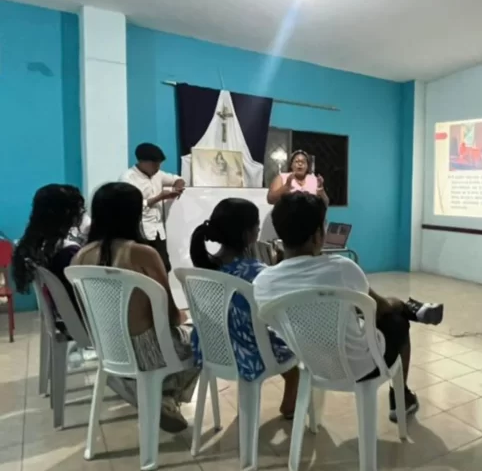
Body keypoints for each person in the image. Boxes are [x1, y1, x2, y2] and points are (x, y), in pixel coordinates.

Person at [253, 193, 444, 421]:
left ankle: (414, 311)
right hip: (360, 366)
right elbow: (381, 308)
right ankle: (401, 397)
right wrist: (397, 304)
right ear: (318, 235)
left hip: (309, 363)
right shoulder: (342, 269)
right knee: (397, 320)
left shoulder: (262, 282)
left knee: (363, 312)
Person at [72, 182, 200, 433]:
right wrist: (185, 318)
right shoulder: (143, 253)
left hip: (108, 348)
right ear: (134, 215)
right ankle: (164, 396)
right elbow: (171, 315)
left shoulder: (80, 256)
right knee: (204, 338)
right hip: (149, 352)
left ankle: (153, 394)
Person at [189, 198, 299, 418]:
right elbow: (277, 312)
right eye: (257, 225)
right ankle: (289, 407)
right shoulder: (257, 271)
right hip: (248, 354)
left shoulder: (202, 267)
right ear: (249, 234)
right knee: (293, 362)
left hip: (210, 350)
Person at [12, 184, 86, 322]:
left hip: (61, 316)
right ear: (66, 213)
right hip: (79, 320)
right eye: (79, 207)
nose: (83, 211)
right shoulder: (67, 251)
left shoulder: (36, 245)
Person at [120, 142, 185, 272]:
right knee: (143, 269)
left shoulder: (158, 175)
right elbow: (131, 206)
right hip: (140, 231)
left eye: (159, 164)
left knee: (164, 267)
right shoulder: (128, 179)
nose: (157, 168)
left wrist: (177, 187)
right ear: (142, 162)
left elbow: (178, 179)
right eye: (155, 164)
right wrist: (159, 198)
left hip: (158, 231)